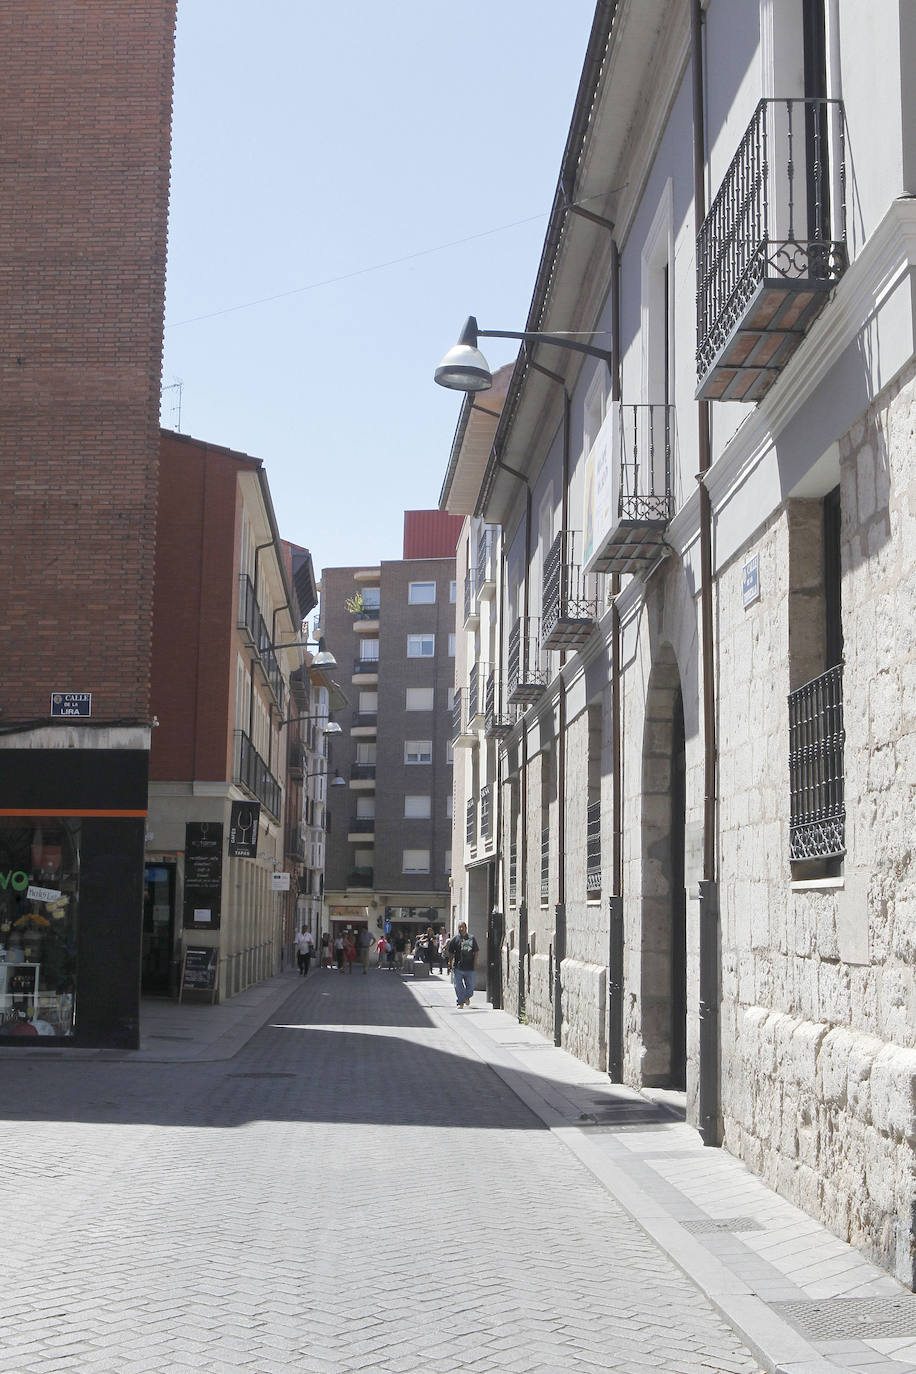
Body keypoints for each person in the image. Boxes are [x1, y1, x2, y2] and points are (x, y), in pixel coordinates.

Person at [447, 922, 479, 1008]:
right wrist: (450, 962)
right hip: (458, 967)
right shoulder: (455, 939)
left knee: (471, 987)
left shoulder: (471, 938)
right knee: (458, 986)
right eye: (459, 927)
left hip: (470, 967)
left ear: (466, 928)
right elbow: (451, 952)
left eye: (462, 927)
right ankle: (460, 1002)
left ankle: (465, 997)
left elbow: (476, 951)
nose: (461, 929)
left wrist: (475, 962)